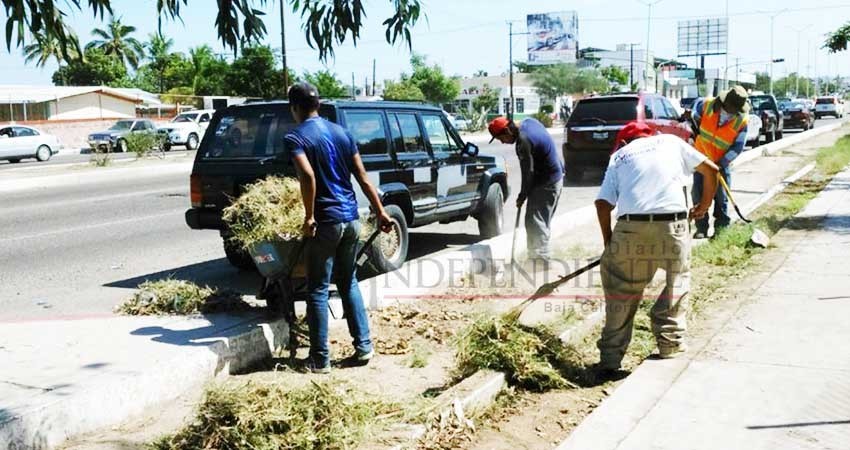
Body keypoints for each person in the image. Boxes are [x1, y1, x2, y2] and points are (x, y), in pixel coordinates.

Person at [593, 121, 719, 376]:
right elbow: (712, 170)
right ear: (651, 135)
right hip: (673, 225)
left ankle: (610, 359)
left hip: (631, 227)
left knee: (621, 291)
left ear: (624, 142)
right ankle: (669, 342)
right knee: (677, 280)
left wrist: (609, 243)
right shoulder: (671, 142)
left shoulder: (619, 156)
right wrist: (703, 207)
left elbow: (602, 204)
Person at [285, 82, 392, 374]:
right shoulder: (343, 133)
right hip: (351, 220)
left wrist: (309, 217)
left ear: (295, 108)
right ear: (318, 105)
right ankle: (364, 346)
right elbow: (363, 177)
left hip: (327, 222)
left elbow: (307, 176)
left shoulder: (295, 137)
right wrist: (380, 212)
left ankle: (320, 359)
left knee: (318, 289)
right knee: (348, 282)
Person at [488, 116, 565, 265]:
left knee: (535, 221)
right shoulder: (529, 122)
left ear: (508, 130)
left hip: (547, 182)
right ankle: (539, 256)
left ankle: (540, 260)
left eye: (501, 138)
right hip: (555, 177)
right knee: (540, 220)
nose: (503, 142)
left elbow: (527, 172)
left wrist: (522, 195)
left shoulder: (523, 141)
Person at [690, 85, 750, 239]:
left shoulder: (741, 121)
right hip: (701, 161)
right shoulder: (707, 105)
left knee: (721, 197)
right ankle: (701, 228)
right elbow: (693, 115)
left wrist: (721, 163)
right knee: (698, 195)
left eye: (736, 109)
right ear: (725, 102)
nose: (733, 111)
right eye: (731, 108)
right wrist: (691, 120)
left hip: (721, 164)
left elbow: (737, 147)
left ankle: (721, 229)